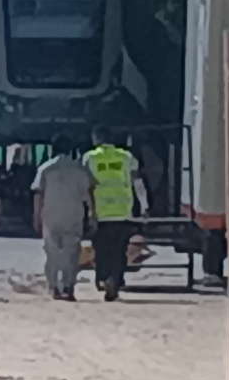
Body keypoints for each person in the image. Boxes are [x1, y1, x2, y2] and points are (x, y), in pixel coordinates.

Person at [85, 127, 149, 302]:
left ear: (96, 138)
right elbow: (138, 183)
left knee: (102, 249)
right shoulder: (126, 157)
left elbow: (87, 186)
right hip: (122, 212)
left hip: (100, 213)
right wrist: (144, 206)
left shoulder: (90, 158)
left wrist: (87, 211)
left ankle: (104, 277)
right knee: (119, 250)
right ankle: (116, 279)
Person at [31, 135, 94, 301]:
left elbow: (38, 194)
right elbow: (88, 194)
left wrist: (36, 216)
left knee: (52, 253)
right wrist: (92, 214)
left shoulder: (45, 168)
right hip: (73, 215)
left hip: (50, 215)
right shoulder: (80, 169)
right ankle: (68, 286)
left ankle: (54, 287)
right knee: (72, 253)